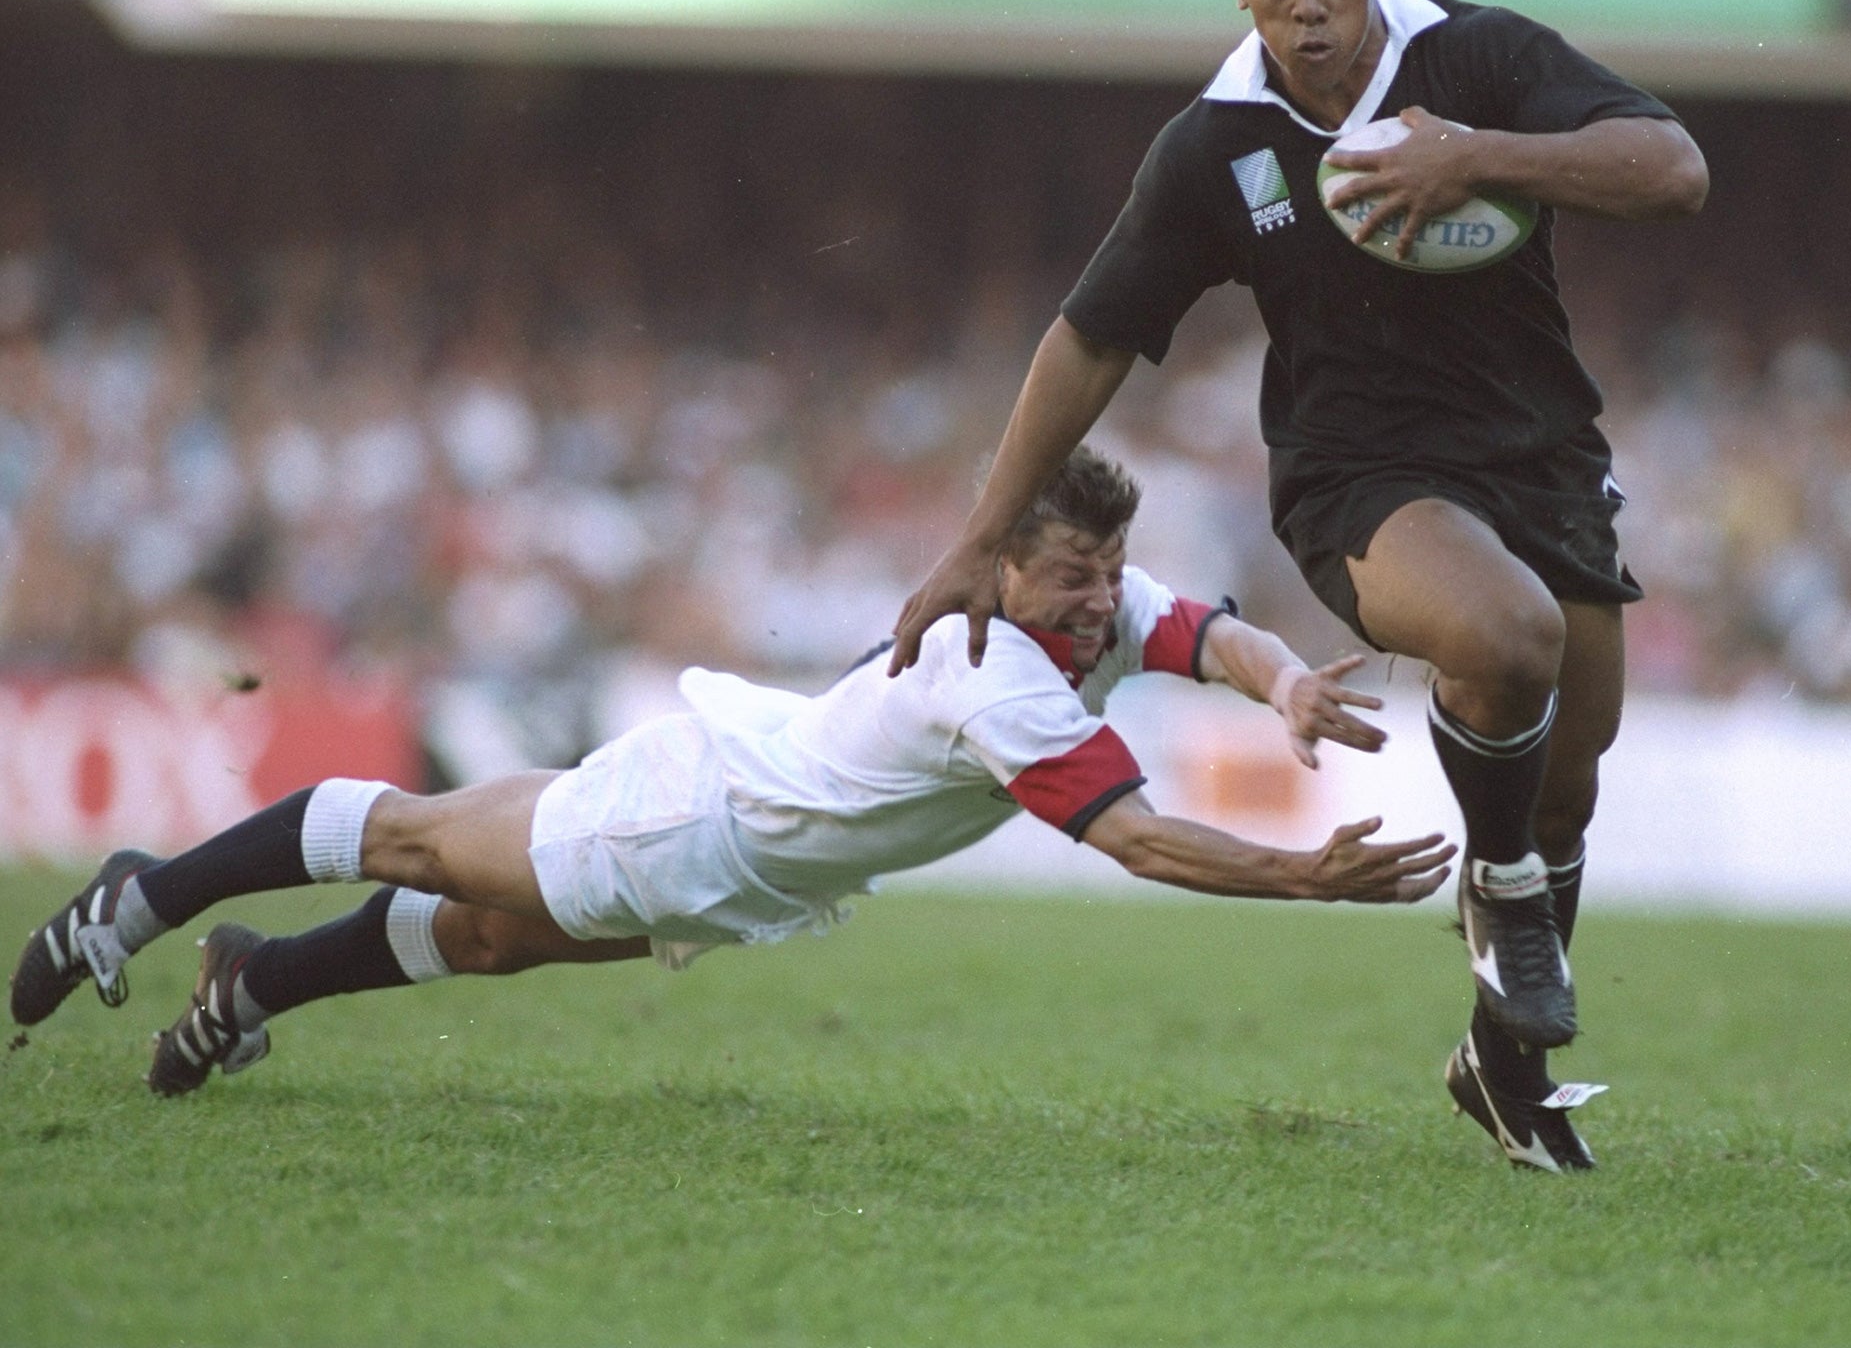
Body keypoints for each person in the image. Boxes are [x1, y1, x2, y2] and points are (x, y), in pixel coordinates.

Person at [890, 0, 1709, 1172]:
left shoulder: (1482, 56)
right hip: (1360, 476)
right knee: (1503, 641)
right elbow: (1094, 336)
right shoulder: (1218, 145)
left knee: (1567, 789)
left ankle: (1499, 1065)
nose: (1310, 9)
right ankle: (1499, 903)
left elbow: (1674, 171)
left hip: (1544, 456)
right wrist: (983, 532)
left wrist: (1475, 157)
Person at [12, 446, 1453, 1096]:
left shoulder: (1085, 607)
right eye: (1072, 577)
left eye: (1107, 576)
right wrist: (1306, 879)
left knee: (499, 940)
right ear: (997, 564)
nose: (1100, 603)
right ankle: (142, 897)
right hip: (698, 818)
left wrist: (1289, 685)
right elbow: (1137, 841)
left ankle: (252, 982)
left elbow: (1207, 632)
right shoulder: (993, 668)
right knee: (419, 844)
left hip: (752, 845)